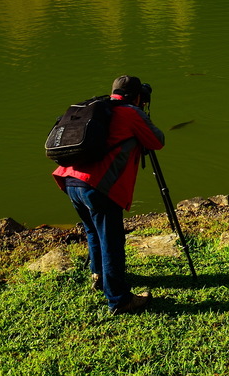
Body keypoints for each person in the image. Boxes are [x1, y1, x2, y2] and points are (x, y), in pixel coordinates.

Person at [53, 75, 165, 315]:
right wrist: (143, 114)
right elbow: (157, 141)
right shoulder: (131, 113)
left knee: (93, 230)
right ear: (137, 97)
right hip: (98, 187)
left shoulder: (95, 108)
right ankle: (119, 300)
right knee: (112, 241)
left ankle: (99, 275)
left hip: (69, 180)